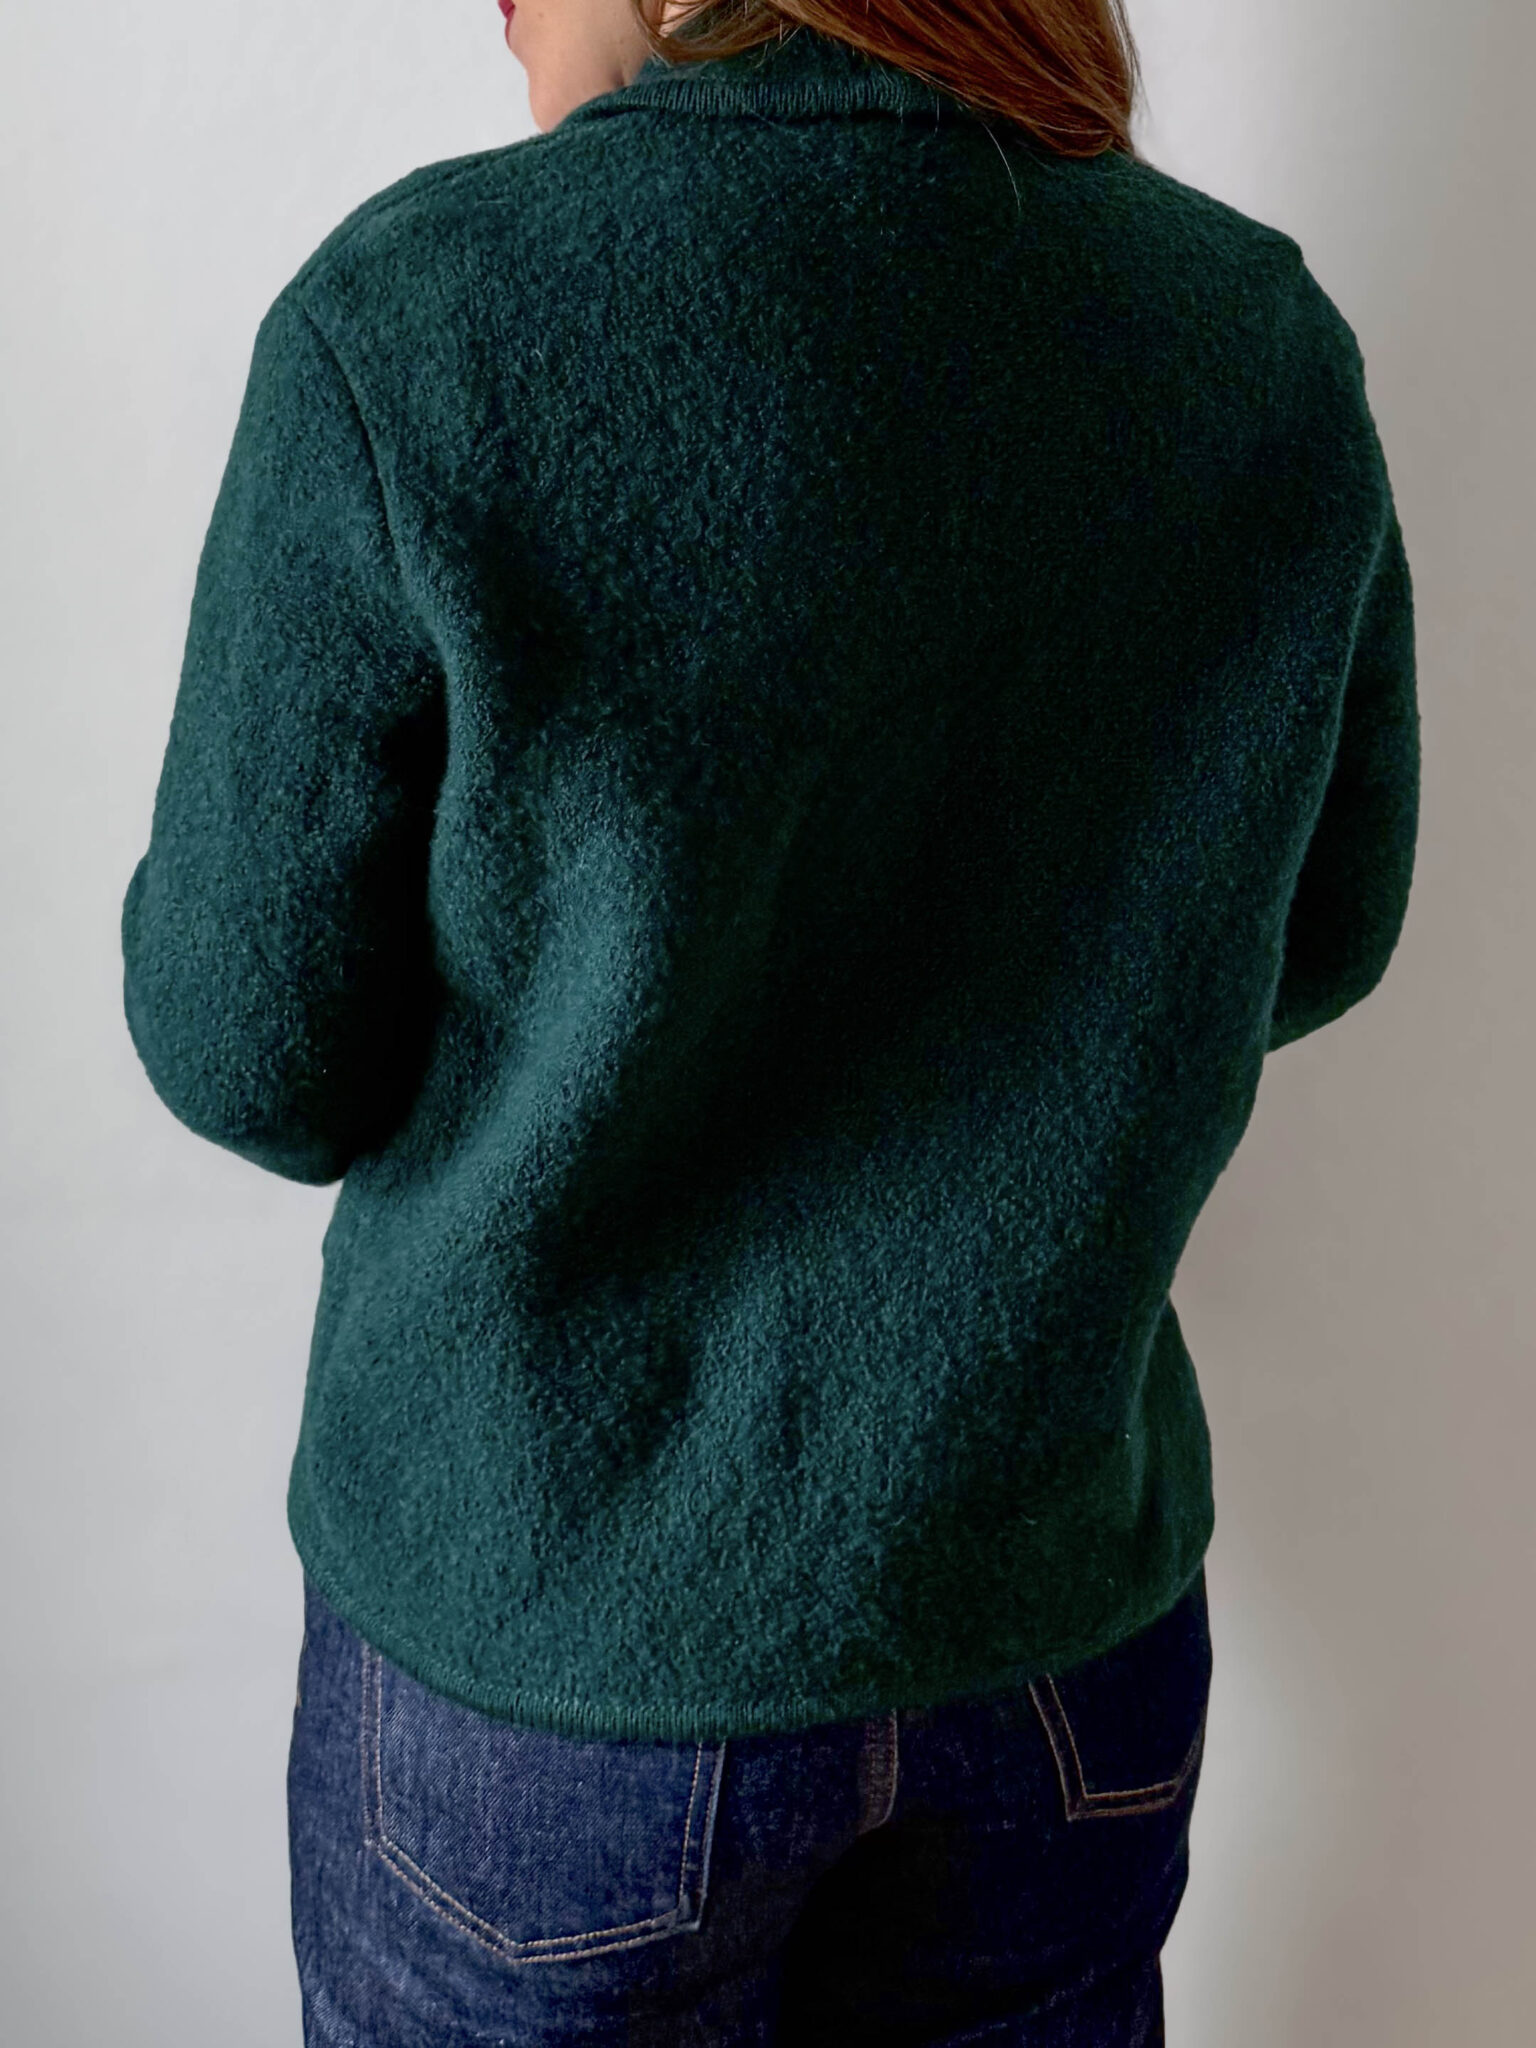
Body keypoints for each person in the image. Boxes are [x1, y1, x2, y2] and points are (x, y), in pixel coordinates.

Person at [119, 0, 1419, 2040]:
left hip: (555, 1659)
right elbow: (1323, 934)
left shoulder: (418, 327)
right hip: (1047, 1624)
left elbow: (247, 1052)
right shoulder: (1248, 339)